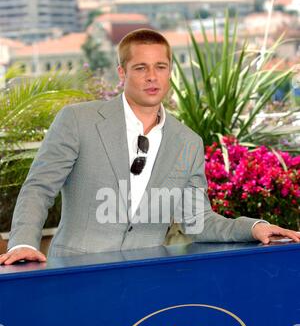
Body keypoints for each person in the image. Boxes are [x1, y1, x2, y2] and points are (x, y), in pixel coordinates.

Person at [0, 29, 299, 266]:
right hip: (75, 271)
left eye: (160, 66)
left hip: (147, 277)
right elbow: (39, 188)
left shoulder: (188, 142)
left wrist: (254, 227)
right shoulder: (78, 120)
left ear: (170, 71)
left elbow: (198, 221)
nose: (152, 76)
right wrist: (24, 243)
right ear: (122, 72)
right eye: (141, 67)